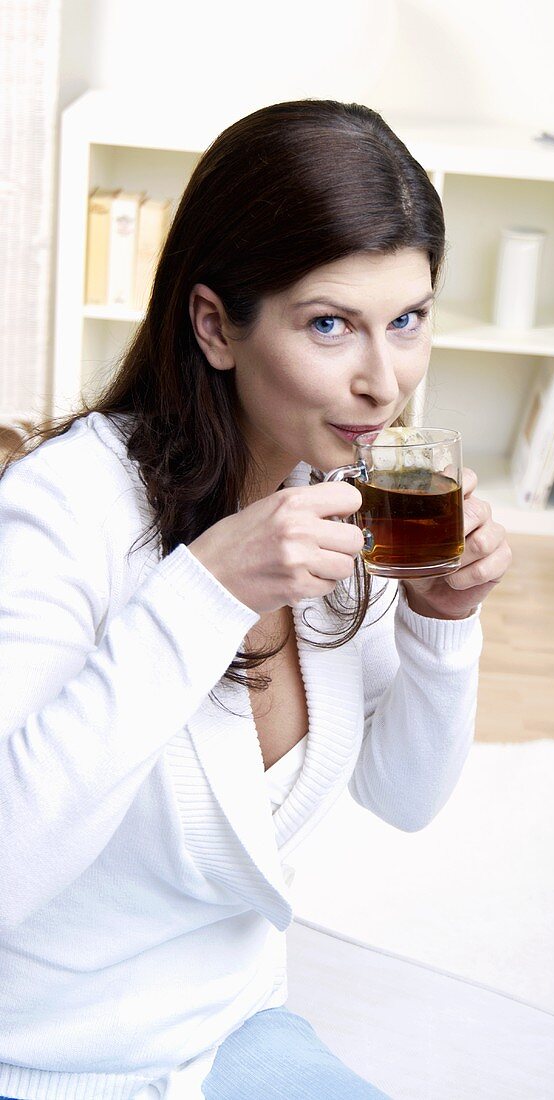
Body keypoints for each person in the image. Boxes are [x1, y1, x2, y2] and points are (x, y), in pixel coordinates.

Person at [0, 100, 511, 1099]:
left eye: (406, 320)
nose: (383, 382)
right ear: (213, 325)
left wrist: (442, 626)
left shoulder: (332, 496)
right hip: (43, 1055)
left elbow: (403, 800)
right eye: (331, 324)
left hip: (232, 1026)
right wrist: (199, 596)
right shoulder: (62, 509)